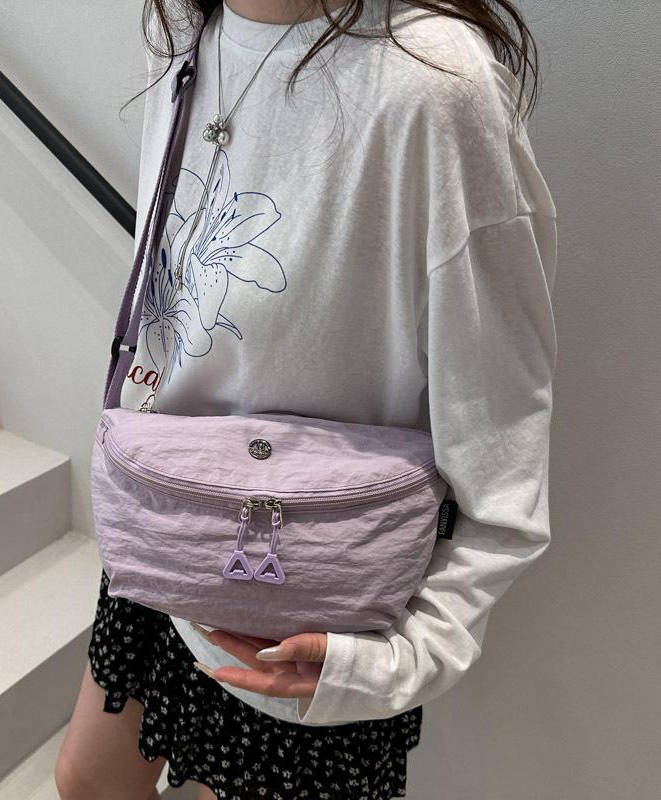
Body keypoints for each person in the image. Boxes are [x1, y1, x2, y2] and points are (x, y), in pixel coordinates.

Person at [55, 0, 558, 798]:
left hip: (314, 624)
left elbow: (504, 449)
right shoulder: (185, 38)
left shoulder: (434, 84)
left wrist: (394, 663)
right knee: (87, 782)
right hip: (173, 545)